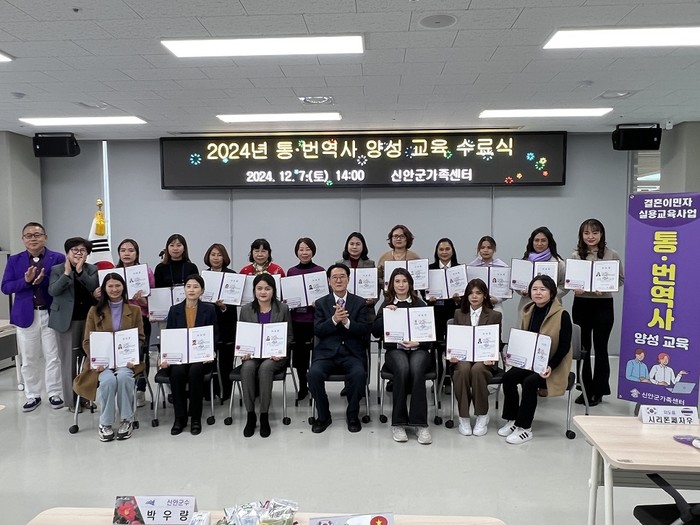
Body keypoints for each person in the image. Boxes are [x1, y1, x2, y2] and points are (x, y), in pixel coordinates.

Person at [498, 275, 572, 445]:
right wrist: (513, 357)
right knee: (508, 377)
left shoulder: (562, 315)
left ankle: (524, 428)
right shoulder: (528, 310)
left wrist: (550, 366)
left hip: (553, 366)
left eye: (543, 289)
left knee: (530, 382)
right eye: (534, 289)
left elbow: (564, 347)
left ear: (552, 293)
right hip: (530, 362)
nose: (538, 293)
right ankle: (512, 419)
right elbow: (524, 340)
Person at [1, 222, 65, 412]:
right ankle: (33, 395)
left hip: (51, 313)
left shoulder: (58, 258)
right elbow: (6, 287)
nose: (33, 239)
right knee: (29, 358)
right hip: (26, 315)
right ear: (23, 239)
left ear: (45, 237)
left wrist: (43, 281)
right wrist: (26, 281)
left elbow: (62, 283)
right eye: (28, 236)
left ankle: (54, 393)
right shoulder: (15, 260)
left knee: (53, 356)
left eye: (37, 235)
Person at [74, 273, 145, 442]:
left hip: (126, 362)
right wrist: (96, 360)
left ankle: (126, 420)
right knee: (108, 381)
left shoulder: (134, 310)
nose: (114, 289)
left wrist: (133, 357)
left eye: (118, 285)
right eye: (110, 286)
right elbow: (87, 341)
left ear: (123, 287)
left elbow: (140, 339)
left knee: (124, 377)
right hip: (102, 363)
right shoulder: (94, 311)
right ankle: (105, 423)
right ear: (104, 289)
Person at [373, 268, 434, 445]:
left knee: (416, 368)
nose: (401, 285)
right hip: (395, 350)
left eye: (404, 281)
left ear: (410, 284)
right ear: (392, 284)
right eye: (397, 281)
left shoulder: (420, 304)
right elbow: (375, 332)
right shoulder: (386, 304)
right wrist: (386, 316)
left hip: (418, 349)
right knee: (402, 368)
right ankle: (398, 423)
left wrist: (418, 343)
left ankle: (420, 424)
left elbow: (430, 337)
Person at [308, 263, 370, 434]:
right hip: (326, 354)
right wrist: (334, 320)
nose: (338, 280)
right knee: (313, 375)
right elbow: (318, 330)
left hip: (351, 353)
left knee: (359, 374)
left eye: (342, 276)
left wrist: (347, 322)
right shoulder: (321, 303)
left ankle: (353, 415)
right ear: (329, 281)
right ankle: (323, 415)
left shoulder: (359, 302)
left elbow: (364, 330)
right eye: (334, 277)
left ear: (348, 279)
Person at [570, 219, 624, 407]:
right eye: (586, 233)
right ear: (581, 235)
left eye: (595, 232)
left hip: (603, 305)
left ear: (602, 234)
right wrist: (574, 287)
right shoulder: (576, 256)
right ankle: (585, 388)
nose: (591, 237)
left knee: (601, 348)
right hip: (581, 304)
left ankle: (599, 390)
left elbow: (620, 279)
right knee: (583, 348)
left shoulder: (612, 254)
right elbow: (570, 280)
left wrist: (607, 287)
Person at [161, 274, 218, 436]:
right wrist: (165, 357)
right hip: (180, 356)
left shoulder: (209, 309)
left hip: (200, 356)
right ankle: (180, 418)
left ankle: (195, 417)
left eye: (196, 287)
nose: (191, 290)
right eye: (188, 286)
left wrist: (211, 351)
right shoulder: (175, 310)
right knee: (177, 372)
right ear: (184, 289)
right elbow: (170, 336)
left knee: (195, 371)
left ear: (202, 291)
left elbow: (215, 334)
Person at [238, 273, 293, 438]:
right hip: (253, 355)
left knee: (266, 368)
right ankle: (250, 415)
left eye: (267, 289)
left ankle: (264, 415)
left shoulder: (282, 308)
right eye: (259, 288)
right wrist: (243, 351)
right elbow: (242, 335)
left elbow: (289, 336)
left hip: (275, 357)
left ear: (273, 290)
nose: (263, 292)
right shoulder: (246, 309)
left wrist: (280, 351)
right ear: (254, 290)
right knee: (247, 368)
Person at [48, 237, 99, 409]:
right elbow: (53, 290)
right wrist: (67, 273)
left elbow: (93, 287)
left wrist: (80, 271)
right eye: (74, 250)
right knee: (68, 361)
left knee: (88, 360)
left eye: (82, 250)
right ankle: (71, 401)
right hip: (66, 320)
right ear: (67, 252)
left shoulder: (92, 269)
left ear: (87, 254)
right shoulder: (57, 269)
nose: (78, 253)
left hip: (88, 320)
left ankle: (86, 397)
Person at [451, 278, 502, 437]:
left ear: (484, 295)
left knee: (478, 370)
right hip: (464, 357)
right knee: (463, 369)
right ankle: (464, 417)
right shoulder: (459, 313)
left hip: (485, 358)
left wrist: (492, 356)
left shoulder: (495, 315)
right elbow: (455, 338)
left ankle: (482, 415)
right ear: (466, 296)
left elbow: (496, 341)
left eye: (478, 293)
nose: (474, 296)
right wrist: (452, 354)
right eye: (471, 293)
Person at [116, 238, 155, 408]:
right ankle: (124, 388)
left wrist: (142, 301)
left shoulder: (146, 272)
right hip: (118, 320)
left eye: (131, 250)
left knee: (142, 353)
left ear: (137, 254)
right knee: (122, 353)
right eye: (123, 250)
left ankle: (140, 389)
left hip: (140, 318)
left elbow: (152, 301)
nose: (127, 253)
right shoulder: (113, 273)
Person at [287, 238, 324, 402]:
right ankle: (303, 386)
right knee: (300, 357)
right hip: (297, 320)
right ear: (296, 252)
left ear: (313, 251)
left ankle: (315, 385)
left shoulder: (320, 271)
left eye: (307, 249)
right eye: (301, 249)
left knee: (316, 355)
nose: (304, 252)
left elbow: (324, 297)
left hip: (314, 320)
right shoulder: (291, 272)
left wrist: (318, 303)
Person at [203, 243, 238, 401]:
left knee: (226, 361)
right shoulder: (203, 276)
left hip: (227, 324)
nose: (216, 258)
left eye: (219, 255)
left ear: (224, 257)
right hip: (208, 324)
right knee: (208, 359)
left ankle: (226, 392)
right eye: (213, 254)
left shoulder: (232, 275)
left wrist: (223, 307)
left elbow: (235, 304)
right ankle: (210, 392)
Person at [516, 227, 568, 317]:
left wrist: (550, 294)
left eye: (543, 240)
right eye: (536, 240)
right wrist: (522, 291)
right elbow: (516, 283)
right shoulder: (525, 262)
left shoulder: (558, 263)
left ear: (549, 242)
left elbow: (565, 285)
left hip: (551, 306)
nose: (539, 244)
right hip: (527, 305)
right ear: (532, 242)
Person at [467, 235, 510, 312]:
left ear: (494, 249)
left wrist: (497, 299)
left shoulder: (502, 267)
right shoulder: (471, 267)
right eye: (482, 247)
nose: (485, 250)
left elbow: (507, 289)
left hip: (496, 306)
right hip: (475, 306)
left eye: (489, 247)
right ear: (479, 249)